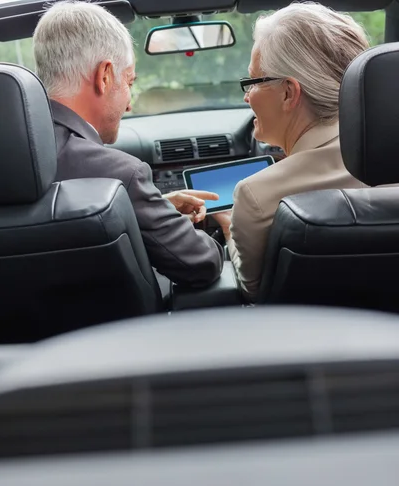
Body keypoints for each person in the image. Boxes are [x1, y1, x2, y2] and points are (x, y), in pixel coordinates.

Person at [33, 1, 223, 288]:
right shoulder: (119, 175)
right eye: (130, 83)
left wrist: (137, 211)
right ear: (105, 77)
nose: (130, 104)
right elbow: (201, 264)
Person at [213, 2, 369, 302]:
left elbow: (253, 291)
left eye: (252, 81)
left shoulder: (257, 196)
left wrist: (231, 230)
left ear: (288, 93)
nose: (247, 97)